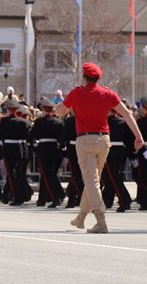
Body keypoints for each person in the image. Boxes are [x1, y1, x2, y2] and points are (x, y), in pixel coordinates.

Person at [54, 62, 144, 233]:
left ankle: (100, 220)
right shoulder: (108, 93)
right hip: (104, 141)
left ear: (84, 77)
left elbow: (60, 112)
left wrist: (64, 106)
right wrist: (138, 136)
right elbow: (126, 114)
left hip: (85, 140)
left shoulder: (77, 92)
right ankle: (81, 217)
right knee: (93, 179)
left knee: (91, 180)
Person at [0, 98, 32, 206]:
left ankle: (17, 197)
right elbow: (29, 136)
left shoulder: (4, 121)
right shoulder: (24, 122)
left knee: (12, 174)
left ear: (8, 109)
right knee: (19, 173)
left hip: (9, 149)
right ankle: (12, 195)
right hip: (21, 148)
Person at [30, 100, 64, 207]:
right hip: (55, 150)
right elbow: (62, 139)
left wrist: (35, 147)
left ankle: (57, 196)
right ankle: (42, 199)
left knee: (47, 175)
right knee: (50, 174)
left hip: (44, 150)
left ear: (44, 110)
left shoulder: (39, 121)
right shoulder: (58, 122)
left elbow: (31, 137)